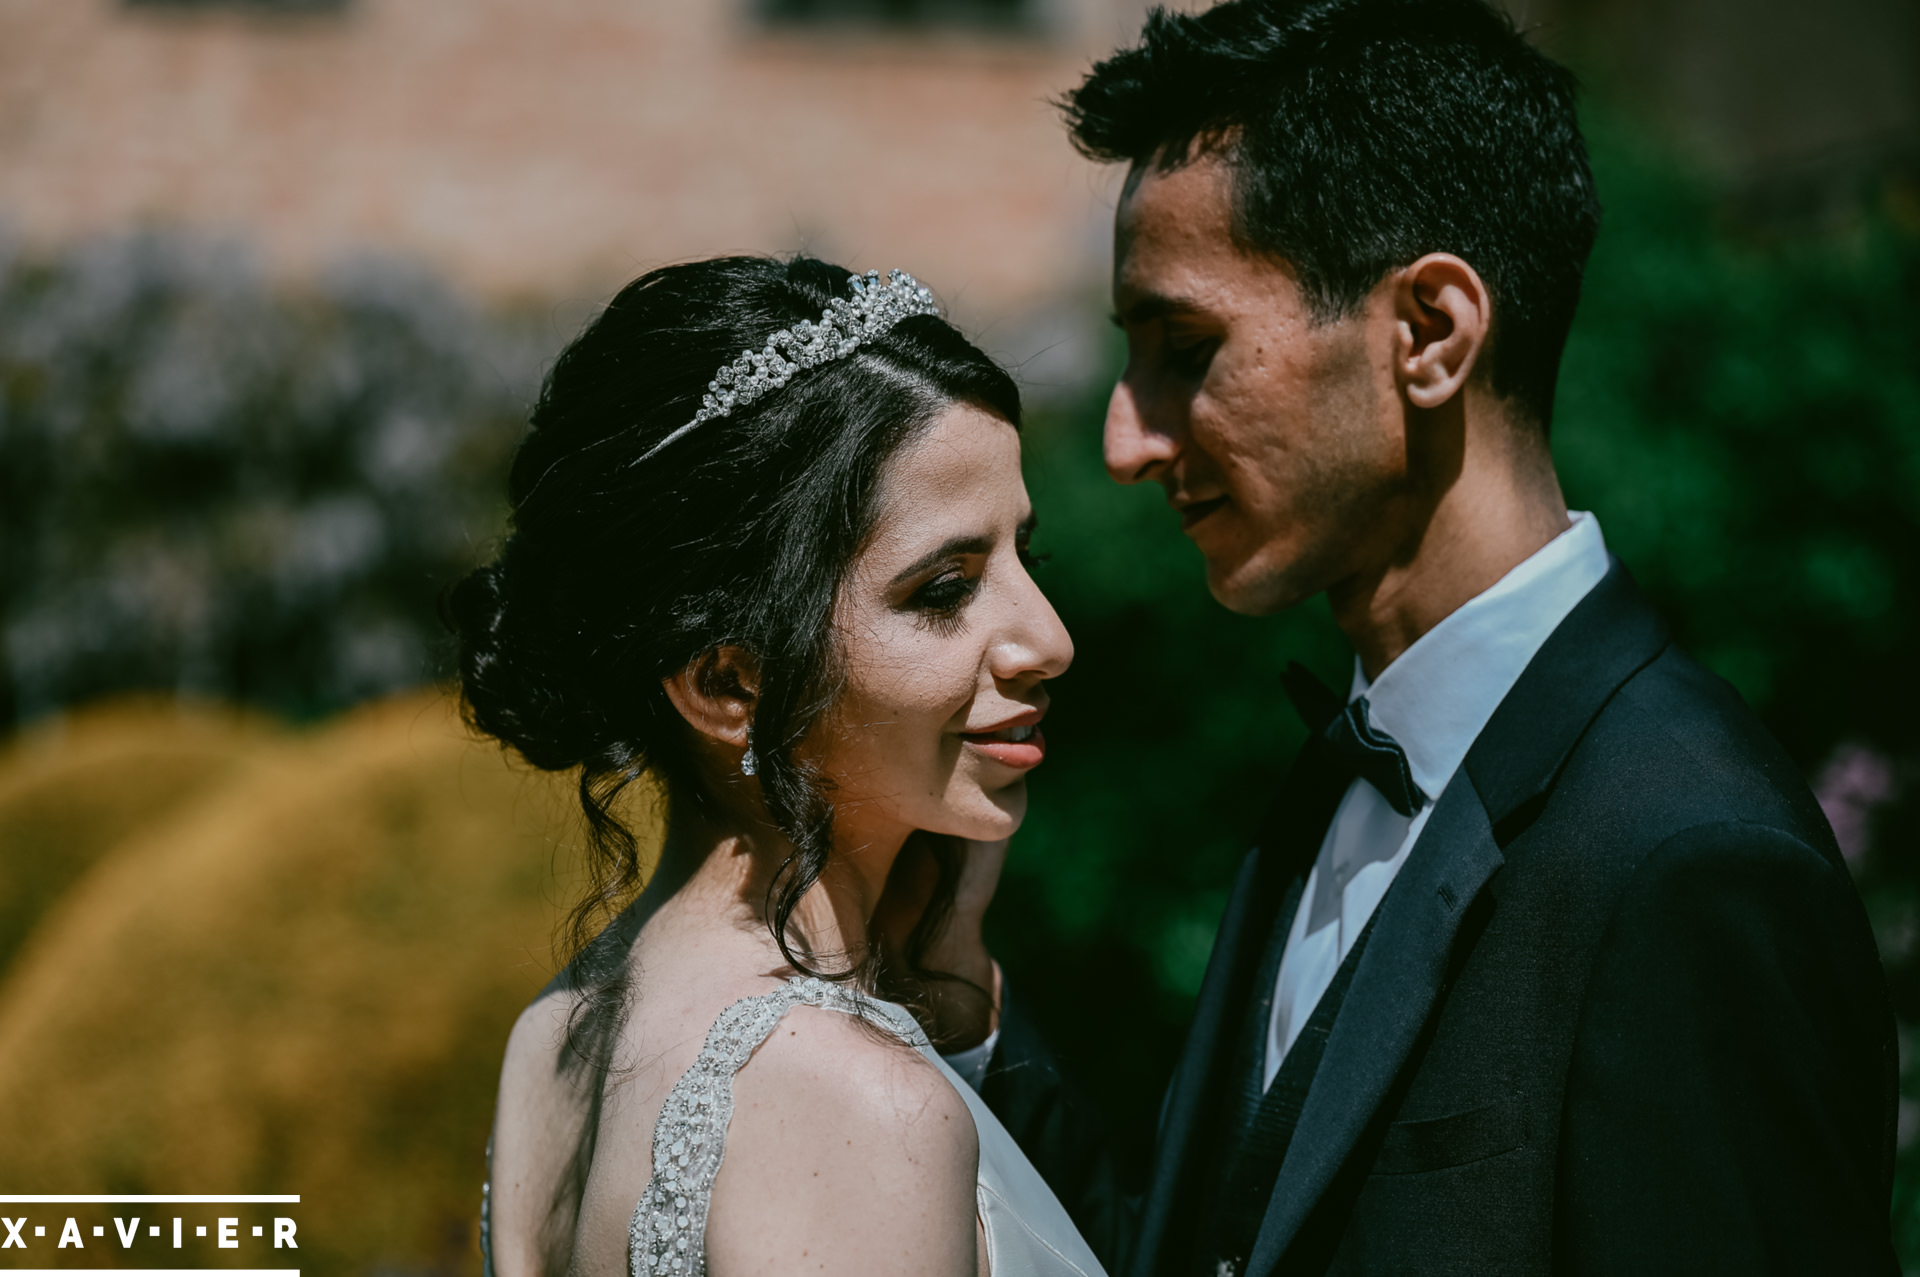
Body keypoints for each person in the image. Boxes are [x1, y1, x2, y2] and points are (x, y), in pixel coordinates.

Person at [911, 1, 1902, 1274]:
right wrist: (963, 1000)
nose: (1125, 440)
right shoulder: (1331, 776)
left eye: (1183, 346)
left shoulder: (1690, 858)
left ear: (1430, 331)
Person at [449, 256, 1105, 1276]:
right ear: (728, 684)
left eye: (1031, 557)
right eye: (945, 587)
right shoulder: (860, 1102)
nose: (1048, 638)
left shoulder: (557, 1030)